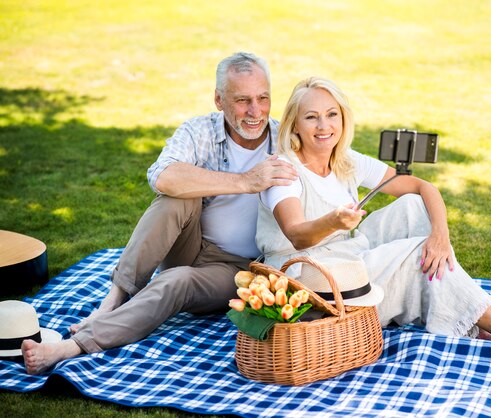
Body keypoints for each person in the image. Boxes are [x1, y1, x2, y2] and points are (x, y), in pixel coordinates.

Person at [21, 52, 298, 374]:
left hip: (240, 269)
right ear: (219, 100)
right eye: (242, 100)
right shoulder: (199, 131)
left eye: (263, 98)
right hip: (190, 245)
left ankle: (72, 346)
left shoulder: (286, 141)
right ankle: (114, 299)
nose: (255, 111)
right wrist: (246, 182)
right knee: (175, 198)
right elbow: (163, 176)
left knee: (175, 281)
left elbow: (335, 159)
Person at [256, 76, 491, 353]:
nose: (324, 126)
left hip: (346, 256)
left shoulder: (345, 160)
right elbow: (297, 235)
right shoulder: (283, 170)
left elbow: (422, 186)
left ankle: (470, 318)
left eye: (331, 115)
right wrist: (334, 221)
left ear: (343, 119)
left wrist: (440, 237)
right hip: (311, 283)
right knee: (417, 253)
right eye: (312, 117)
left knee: (413, 207)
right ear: (295, 124)